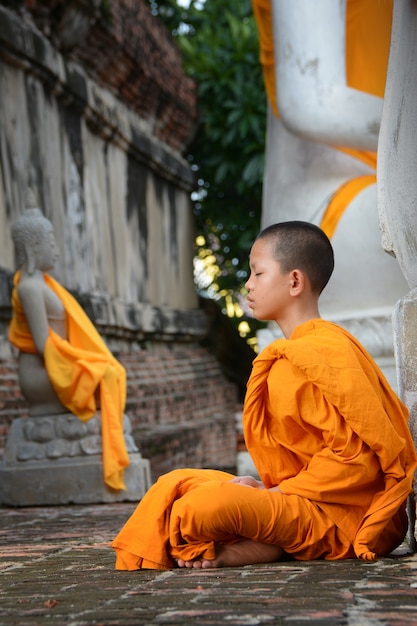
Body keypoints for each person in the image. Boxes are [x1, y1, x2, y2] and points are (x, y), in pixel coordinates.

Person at [112, 221, 417, 569]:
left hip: (346, 517)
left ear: (295, 281)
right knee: (176, 484)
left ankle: (272, 541)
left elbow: (356, 460)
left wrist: (274, 494)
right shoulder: (294, 353)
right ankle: (273, 540)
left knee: (199, 510)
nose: (249, 285)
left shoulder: (326, 352)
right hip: (300, 498)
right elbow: (302, 461)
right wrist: (264, 487)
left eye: (258, 273)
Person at [8, 199, 129, 491]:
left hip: (58, 363)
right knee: (108, 374)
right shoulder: (28, 288)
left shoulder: (46, 284)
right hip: (42, 374)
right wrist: (84, 361)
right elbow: (41, 343)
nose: (57, 251)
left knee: (112, 372)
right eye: (51, 243)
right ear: (34, 247)